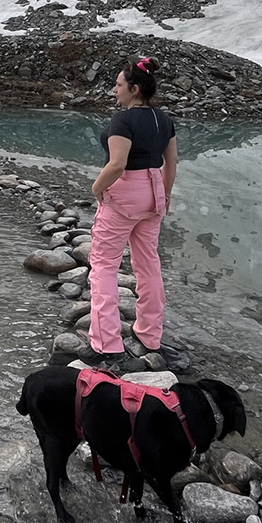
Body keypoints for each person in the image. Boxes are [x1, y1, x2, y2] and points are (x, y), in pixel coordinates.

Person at [84, 56, 177, 374]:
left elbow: (117, 164)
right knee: (148, 265)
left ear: (135, 89)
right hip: (153, 193)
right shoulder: (163, 119)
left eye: (119, 85)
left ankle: (106, 345)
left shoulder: (122, 121)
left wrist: (97, 187)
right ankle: (150, 337)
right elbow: (171, 164)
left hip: (124, 195)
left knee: (104, 267)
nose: (114, 90)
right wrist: (164, 197)